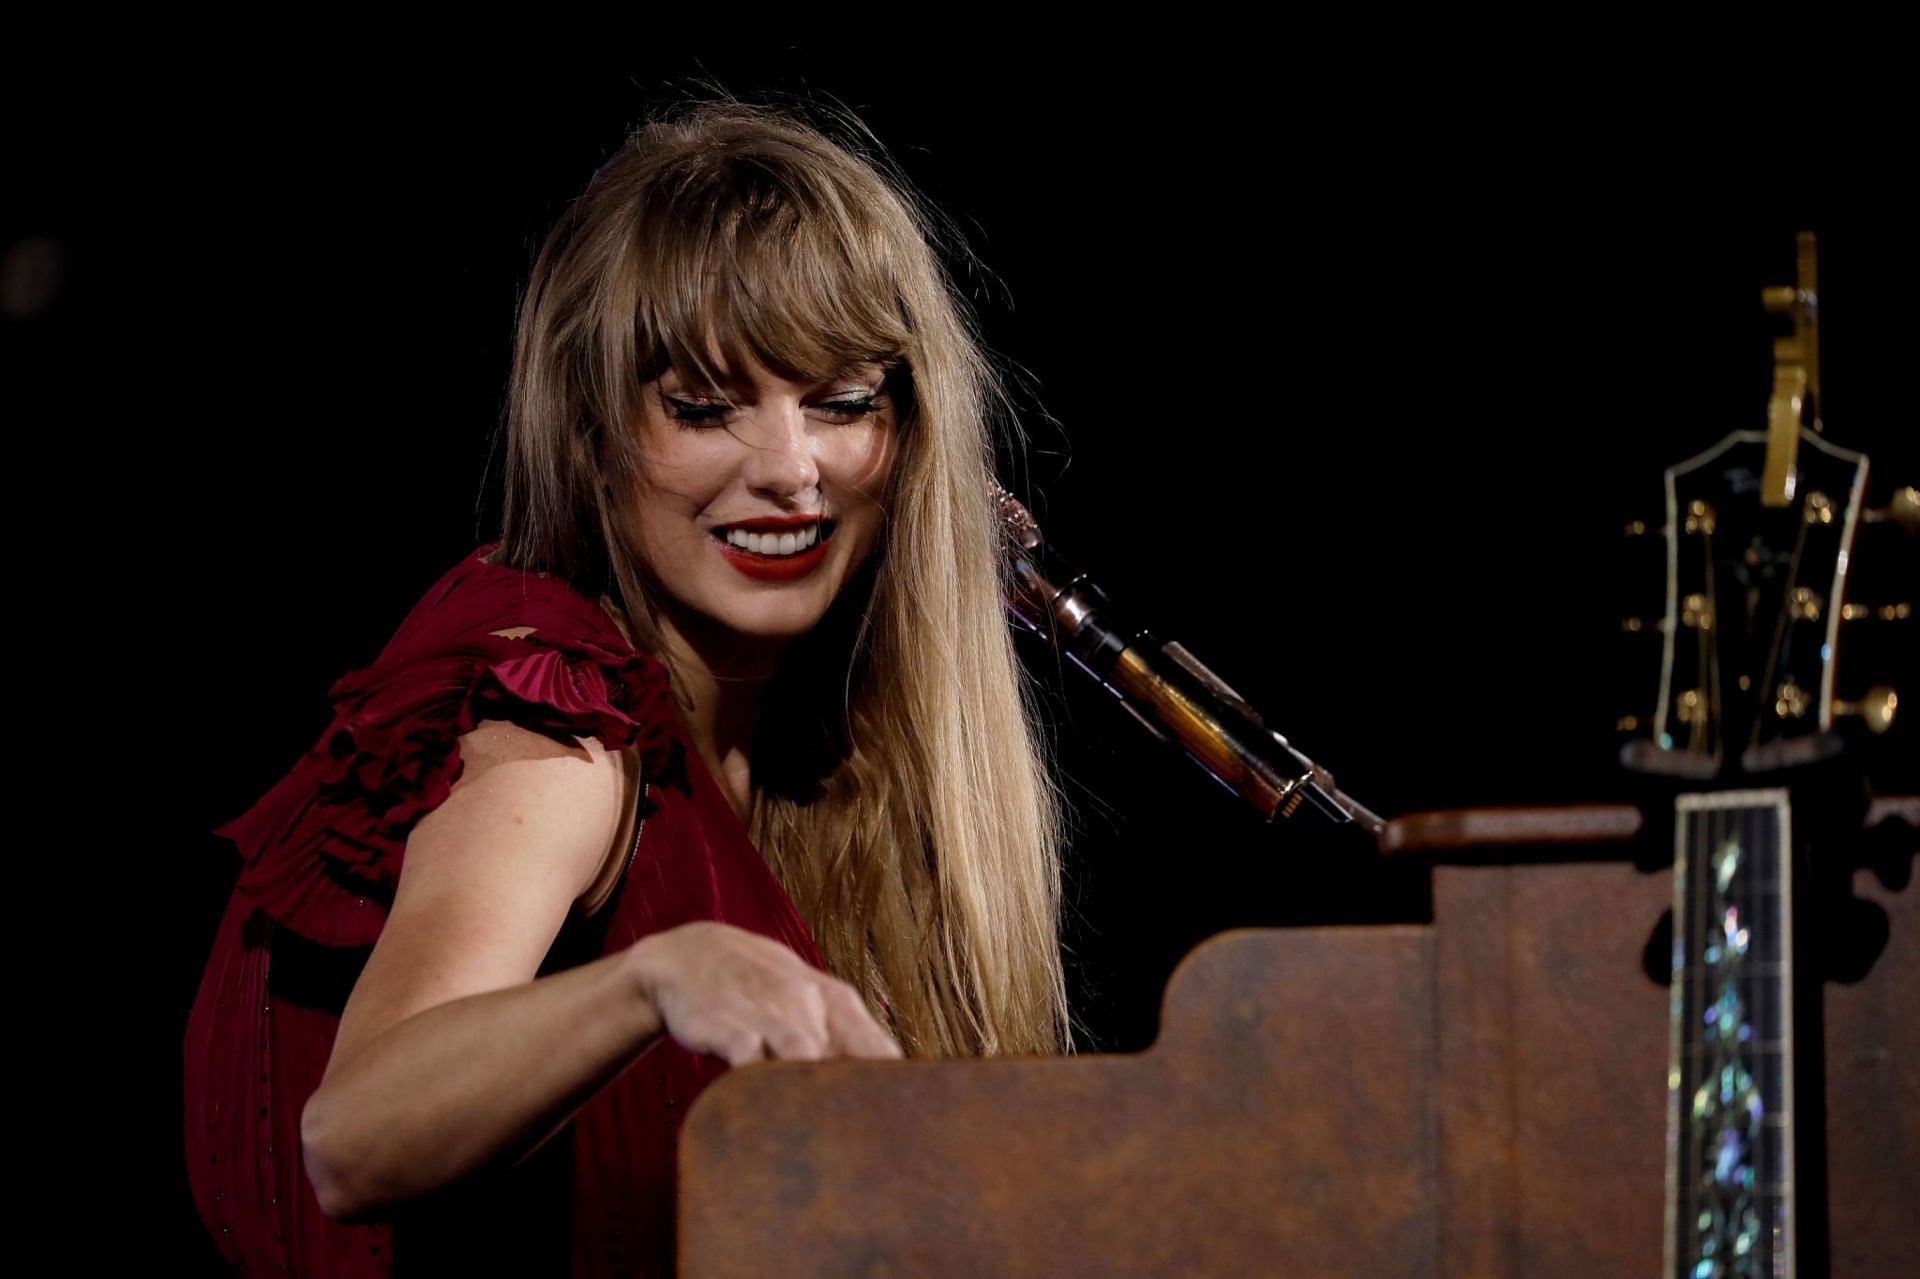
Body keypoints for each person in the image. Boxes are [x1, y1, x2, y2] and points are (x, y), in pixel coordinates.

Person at [183, 97, 1070, 1278]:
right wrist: (667, 974)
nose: (789, 471)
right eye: (704, 407)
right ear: (596, 428)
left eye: (842, 402)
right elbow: (354, 1136)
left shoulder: (814, 749)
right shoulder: (563, 732)